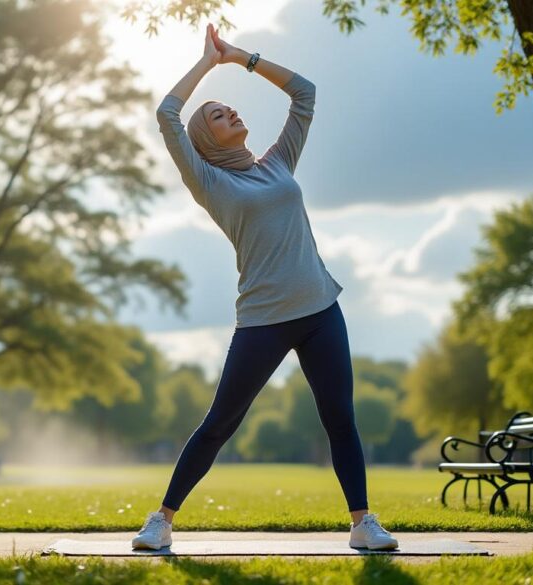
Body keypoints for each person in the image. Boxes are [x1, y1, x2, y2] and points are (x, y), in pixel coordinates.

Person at [132, 23, 398, 552]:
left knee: (339, 419)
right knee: (220, 423)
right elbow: (167, 114)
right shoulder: (210, 182)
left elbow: (305, 93)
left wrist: (241, 58)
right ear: (206, 139)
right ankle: (160, 520)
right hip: (263, 319)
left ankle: (363, 524)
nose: (229, 112)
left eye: (228, 107)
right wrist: (208, 63)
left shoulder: (277, 163)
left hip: (321, 308)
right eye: (216, 114)